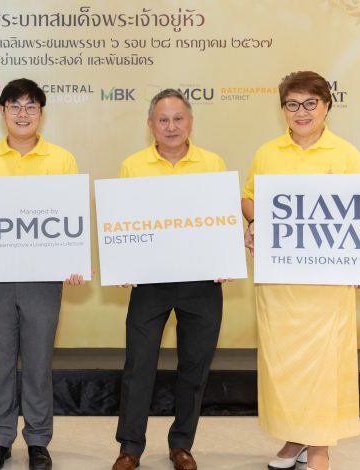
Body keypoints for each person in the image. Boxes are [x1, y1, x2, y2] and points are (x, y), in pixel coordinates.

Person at [0, 78, 85, 470]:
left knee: (38, 364)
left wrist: (74, 261)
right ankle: (0, 439)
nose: (23, 114)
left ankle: (38, 440)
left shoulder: (62, 160)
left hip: (43, 280)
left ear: (41, 113)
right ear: (2, 111)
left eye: (30, 106)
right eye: (14, 106)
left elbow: (70, 218)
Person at [241, 71, 360, 470]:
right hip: (279, 281)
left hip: (327, 283)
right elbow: (249, 198)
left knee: (325, 362)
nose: (301, 111)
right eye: (292, 104)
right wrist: (255, 221)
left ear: (327, 105)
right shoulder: (268, 152)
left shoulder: (346, 154)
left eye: (310, 103)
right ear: (283, 109)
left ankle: (319, 446)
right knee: (284, 365)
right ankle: (294, 436)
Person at [111, 89, 230, 470]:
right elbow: (123, 220)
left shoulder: (213, 163)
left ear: (190, 122)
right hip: (150, 283)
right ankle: (130, 447)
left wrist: (225, 257)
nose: (171, 126)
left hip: (202, 282)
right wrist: (122, 263)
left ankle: (182, 444)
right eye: (163, 119)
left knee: (195, 367)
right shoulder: (133, 165)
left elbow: (224, 218)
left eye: (178, 118)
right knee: (138, 365)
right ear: (150, 125)